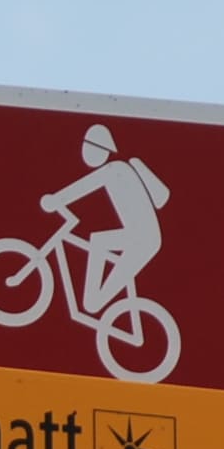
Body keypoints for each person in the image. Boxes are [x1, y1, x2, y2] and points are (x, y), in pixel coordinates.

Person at [41, 125, 169, 311]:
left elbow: (84, 186)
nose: (85, 152)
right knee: (99, 241)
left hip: (143, 239)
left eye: (89, 147)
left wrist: (56, 200)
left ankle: (93, 303)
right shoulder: (117, 169)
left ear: (101, 150)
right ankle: (94, 303)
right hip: (140, 237)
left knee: (99, 243)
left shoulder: (115, 170)